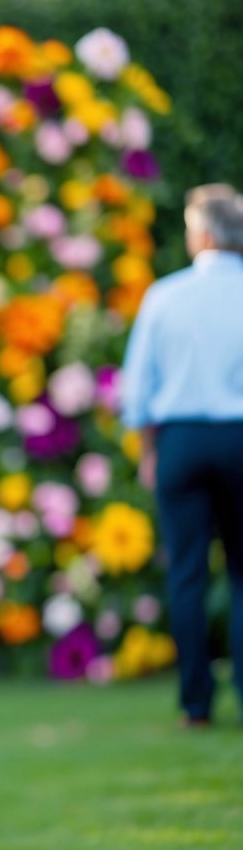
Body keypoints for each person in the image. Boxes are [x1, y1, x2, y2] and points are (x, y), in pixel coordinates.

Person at [121, 186, 243, 727]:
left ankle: (196, 705)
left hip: (181, 441)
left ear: (205, 234)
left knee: (187, 574)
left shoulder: (164, 295)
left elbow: (138, 389)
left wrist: (150, 451)